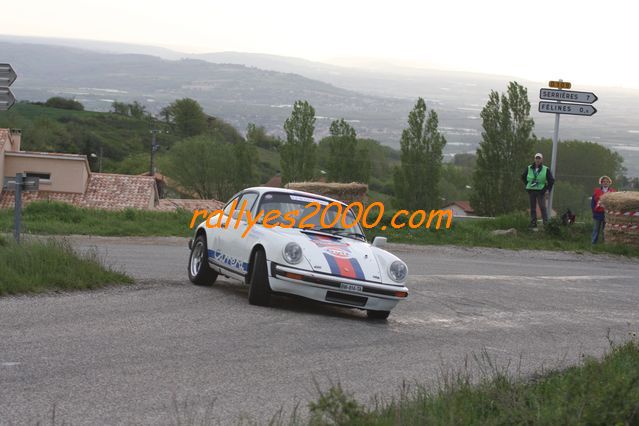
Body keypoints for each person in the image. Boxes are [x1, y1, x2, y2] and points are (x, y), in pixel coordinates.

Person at [521, 153, 555, 228]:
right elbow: (523, 176)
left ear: (542, 160)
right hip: (531, 190)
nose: (537, 160)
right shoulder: (529, 168)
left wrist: (547, 190)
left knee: (542, 207)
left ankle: (546, 224)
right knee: (532, 208)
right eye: (536, 158)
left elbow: (551, 180)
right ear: (534, 159)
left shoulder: (546, 169)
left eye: (539, 158)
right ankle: (533, 223)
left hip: (540, 191)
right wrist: (528, 184)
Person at [591, 175, 615, 244]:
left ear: (609, 183)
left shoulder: (613, 192)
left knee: (606, 230)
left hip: (608, 214)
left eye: (607, 182)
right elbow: (593, 203)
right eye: (604, 181)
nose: (605, 183)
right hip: (598, 213)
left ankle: (605, 243)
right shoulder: (597, 191)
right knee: (596, 229)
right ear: (601, 183)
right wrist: (594, 212)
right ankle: (593, 243)